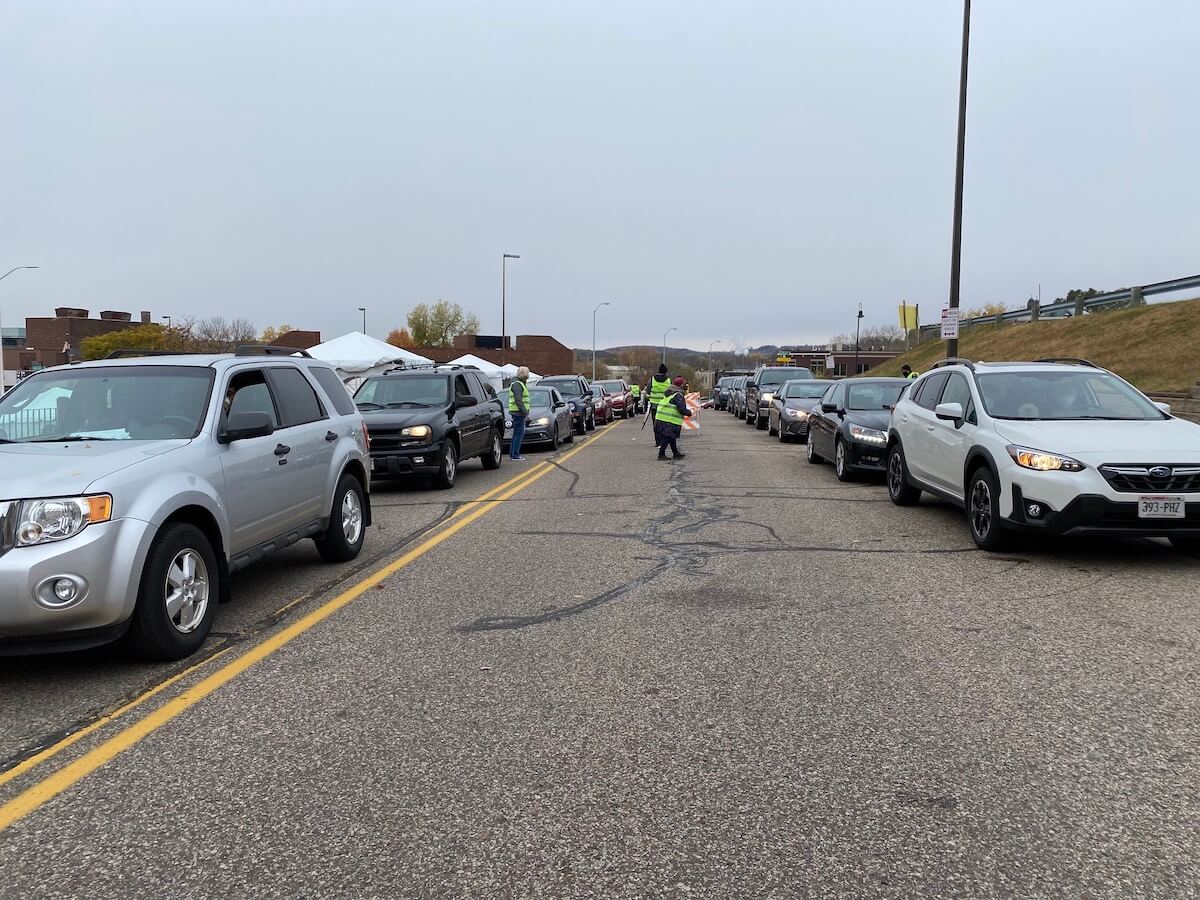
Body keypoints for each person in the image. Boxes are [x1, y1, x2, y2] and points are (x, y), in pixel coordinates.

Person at [654, 376, 691, 460]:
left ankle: (675, 453)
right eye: (685, 384)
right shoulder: (678, 395)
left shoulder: (670, 393)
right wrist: (688, 412)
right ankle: (661, 455)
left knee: (671, 436)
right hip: (668, 420)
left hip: (662, 418)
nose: (686, 386)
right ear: (680, 385)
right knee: (667, 437)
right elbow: (681, 408)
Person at [508, 366, 532, 461]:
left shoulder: (518, 383)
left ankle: (513, 454)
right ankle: (515, 454)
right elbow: (519, 400)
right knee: (519, 433)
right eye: (527, 374)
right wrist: (525, 413)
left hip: (517, 412)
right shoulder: (517, 384)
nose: (528, 376)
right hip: (518, 412)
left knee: (516, 433)